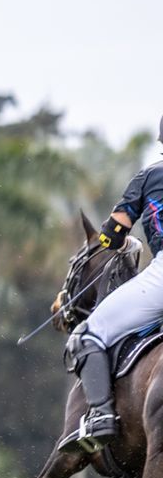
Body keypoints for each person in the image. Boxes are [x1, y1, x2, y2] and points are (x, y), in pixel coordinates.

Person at [59, 123, 163, 455]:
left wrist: (111, 237)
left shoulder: (149, 177)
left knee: (88, 333)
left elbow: (114, 233)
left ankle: (100, 417)